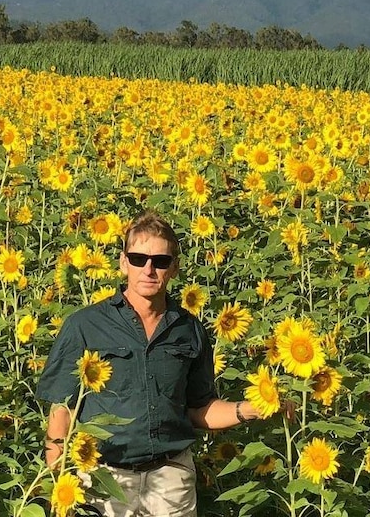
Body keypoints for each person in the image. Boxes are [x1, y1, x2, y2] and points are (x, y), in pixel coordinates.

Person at [36, 210, 292, 517]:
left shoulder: (189, 329)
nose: (148, 269)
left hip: (171, 478)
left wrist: (249, 408)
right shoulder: (86, 325)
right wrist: (56, 477)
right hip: (104, 478)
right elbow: (61, 407)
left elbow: (199, 409)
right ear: (122, 263)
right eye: (138, 258)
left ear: (174, 268)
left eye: (160, 261)